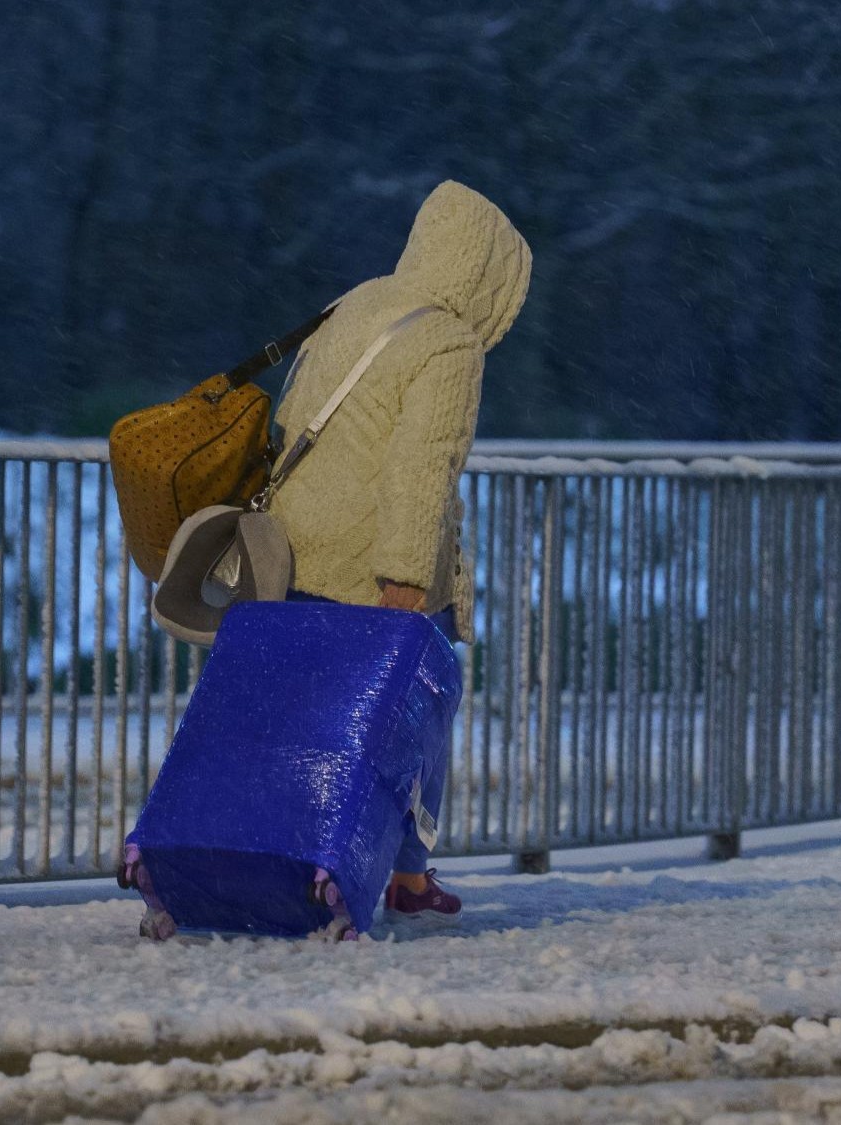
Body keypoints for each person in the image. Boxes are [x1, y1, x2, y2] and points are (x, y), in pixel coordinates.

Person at [267, 180, 531, 935]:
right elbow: (423, 468)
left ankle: (282, 852)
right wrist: (407, 579)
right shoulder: (448, 343)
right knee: (416, 710)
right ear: (484, 277)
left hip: (295, 548)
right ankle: (405, 871)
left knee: (306, 714)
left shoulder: (358, 304)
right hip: (371, 560)